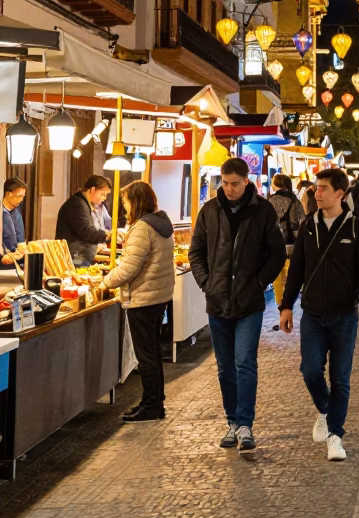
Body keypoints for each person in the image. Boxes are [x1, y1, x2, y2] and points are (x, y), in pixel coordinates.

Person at [279, 168, 359, 461]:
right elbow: (297, 268)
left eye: (323, 188)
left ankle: (335, 435)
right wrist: (286, 305)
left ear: (340, 194)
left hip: (344, 315)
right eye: (316, 188)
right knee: (310, 370)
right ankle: (325, 409)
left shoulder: (356, 228)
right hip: (312, 313)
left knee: (340, 378)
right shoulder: (308, 226)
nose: (317, 193)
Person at [189, 157, 286, 452]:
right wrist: (207, 283)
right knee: (225, 367)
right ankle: (231, 421)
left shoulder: (263, 210)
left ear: (246, 181)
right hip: (218, 300)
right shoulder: (210, 210)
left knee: (245, 362)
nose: (229, 189)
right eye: (225, 183)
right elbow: (196, 251)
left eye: (235, 183)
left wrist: (259, 282)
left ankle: (245, 424)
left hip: (249, 302)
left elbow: (277, 253)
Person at [101, 182, 174, 422]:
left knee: (147, 355)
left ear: (136, 202)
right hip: (157, 297)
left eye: (126, 202)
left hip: (143, 299)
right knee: (152, 351)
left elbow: (129, 268)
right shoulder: (160, 223)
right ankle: (154, 402)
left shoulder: (143, 227)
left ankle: (151, 406)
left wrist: (105, 283)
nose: (125, 207)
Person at [55, 176, 113, 266]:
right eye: (103, 194)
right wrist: (106, 236)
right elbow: (84, 230)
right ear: (93, 189)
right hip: (75, 258)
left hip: (79, 257)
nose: (104, 198)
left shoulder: (83, 203)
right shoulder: (77, 204)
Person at [269, 173, 305, 246]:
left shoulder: (272, 200)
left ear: (277, 183)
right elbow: (302, 220)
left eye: (272, 182)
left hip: (278, 238)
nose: (271, 184)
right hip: (295, 237)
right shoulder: (295, 200)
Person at [1, 178, 26, 264]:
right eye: (19, 196)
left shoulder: (17, 209)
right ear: (8, 194)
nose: (21, 200)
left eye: (23, 196)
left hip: (18, 260)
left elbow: (20, 238)